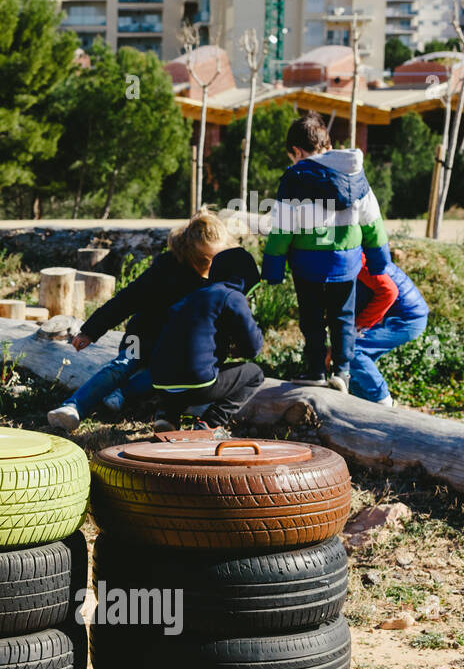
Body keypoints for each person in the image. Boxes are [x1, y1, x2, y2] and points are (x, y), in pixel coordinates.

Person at [45, 211, 232, 432]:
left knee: (162, 376)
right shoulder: (166, 269)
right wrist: (90, 331)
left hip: (175, 351)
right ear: (189, 251)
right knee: (121, 366)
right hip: (142, 337)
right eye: (204, 260)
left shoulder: (221, 280)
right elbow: (126, 300)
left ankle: (123, 392)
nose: (210, 264)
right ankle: (73, 407)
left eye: (216, 259)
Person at [262, 112, 391, 394]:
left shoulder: (295, 177)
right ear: (327, 143)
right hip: (346, 263)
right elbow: (372, 221)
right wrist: (380, 261)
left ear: (296, 151)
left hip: (308, 264)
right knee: (343, 318)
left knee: (311, 319)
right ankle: (342, 373)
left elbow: (282, 229)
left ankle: (316, 370)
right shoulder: (355, 174)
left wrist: (272, 267)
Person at [150, 247, 265, 436]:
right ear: (246, 278)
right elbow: (253, 347)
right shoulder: (232, 296)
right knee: (255, 374)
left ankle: (167, 416)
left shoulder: (194, 295)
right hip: (197, 384)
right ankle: (211, 423)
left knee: (183, 369)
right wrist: (240, 347)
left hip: (160, 382)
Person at [351, 255, 429, 406]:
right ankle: (365, 413)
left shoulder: (357, 261)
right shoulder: (349, 262)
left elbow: (388, 292)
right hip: (401, 315)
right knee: (357, 373)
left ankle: (385, 404)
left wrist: (357, 327)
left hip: (406, 318)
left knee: (352, 350)